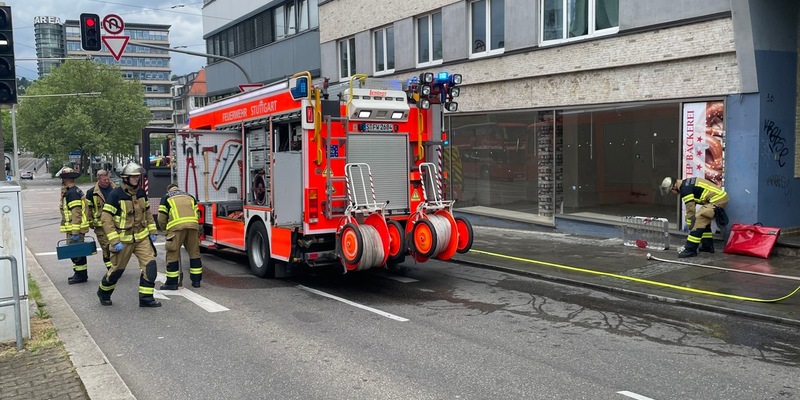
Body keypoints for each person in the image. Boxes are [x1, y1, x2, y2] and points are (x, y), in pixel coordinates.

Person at [96, 162, 161, 307]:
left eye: (137, 177)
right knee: (116, 271)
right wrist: (114, 240)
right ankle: (103, 292)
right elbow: (106, 219)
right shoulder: (116, 195)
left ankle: (146, 298)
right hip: (123, 240)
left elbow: (148, 213)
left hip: (141, 238)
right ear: (125, 178)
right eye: (133, 177)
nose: (136, 179)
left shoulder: (141, 193)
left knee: (150, 267)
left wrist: (152, 231)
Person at [660, 176, 729, 258]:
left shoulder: (685, 190)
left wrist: (690, 224)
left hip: (717, 200)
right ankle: (707, 246)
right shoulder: (686, 184)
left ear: (674, 187)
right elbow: (693, 202)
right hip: (719, 198)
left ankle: (690, 250)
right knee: (704, 222)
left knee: (698, 221)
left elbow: (690, 209)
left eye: (671, 192)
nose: (672, 194)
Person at [157, 183, 203, 289]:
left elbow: (161, 218)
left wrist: (165, 231)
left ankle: (172, 283)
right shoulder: (189, 196)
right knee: (194, 254)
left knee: (172, 254)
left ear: (169, 190)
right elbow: (197, 213)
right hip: (192, 227)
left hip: (176, 228)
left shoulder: (166, 197)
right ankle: (196, 281)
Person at [58, 167, 91, 284]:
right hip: (74, 229)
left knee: (77, 253)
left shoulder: (72, 193)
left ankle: (81, 275)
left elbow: (76, 213)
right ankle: (79, 273)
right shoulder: (73, 191)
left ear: (65, 179)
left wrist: (75, 232)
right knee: (76, 252)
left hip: (75, 229)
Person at [85, 169, 117, 271]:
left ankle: (116, 266)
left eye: (108, 179)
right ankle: (110, 269)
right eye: (104, 180)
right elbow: (88, 210)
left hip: (116, 224)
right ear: (98, 180)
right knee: (106, 247)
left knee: (116, 245)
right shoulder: (91, 193)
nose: (107, 181)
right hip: (100, 226)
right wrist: (90, 222)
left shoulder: (116, 189)